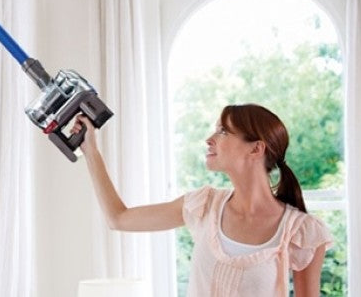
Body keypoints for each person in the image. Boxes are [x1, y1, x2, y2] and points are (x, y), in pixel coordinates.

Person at [71, 103, 332, 297]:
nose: (209, 139)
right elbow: (118, 218)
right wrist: (91, 150)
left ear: (256, 148)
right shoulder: (204, 205)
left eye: (223, 131)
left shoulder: (302, 232)